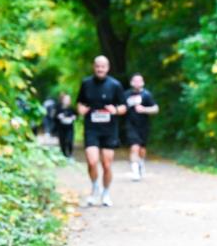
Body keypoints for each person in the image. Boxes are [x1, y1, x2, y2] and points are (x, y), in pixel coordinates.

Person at [76, 56, 127, 207]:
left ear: (107, 68)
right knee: (92, 161)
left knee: (106, 164)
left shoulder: (115, 85)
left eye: (103, 66)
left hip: (109, 130)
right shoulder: (86, 83)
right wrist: (81, 109)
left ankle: (106, 193)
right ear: (94, 67)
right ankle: (94, 188)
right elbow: (80, 103)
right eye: (98, 66)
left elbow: (124, 107)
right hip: (91, 128)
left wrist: (115, 110)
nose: (100, 69)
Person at [123, 73, 159, 181]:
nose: (137, 83)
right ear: (131, 83)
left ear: (143, 82)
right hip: (130, 125)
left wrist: (144, 109)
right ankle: (135, 173)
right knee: (134, 148)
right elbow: (120, 107)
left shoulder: (147, 95)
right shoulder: (126, 95)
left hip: (143, 126)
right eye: (135, 81)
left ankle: (141, 163)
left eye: (140, 81)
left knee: (142, 150)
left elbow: (156, 108)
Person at [54, 92, 77, 158]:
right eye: (66, 99)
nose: (67, 101)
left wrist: (73, 117)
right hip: (61, 128)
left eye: (68, 100)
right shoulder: (58, 108)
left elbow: (76, 115)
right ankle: (64, 154)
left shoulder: (71, 108)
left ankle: (70, 154)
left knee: (69, 140)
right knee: (62, 141)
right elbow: (54, 118)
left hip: (70, 128)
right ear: (63, 100)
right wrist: (58, 117)